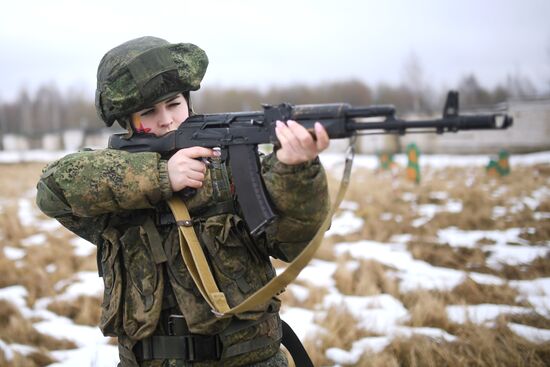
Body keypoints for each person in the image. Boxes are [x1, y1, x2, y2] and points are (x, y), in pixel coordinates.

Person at [36, 36, 330, 366]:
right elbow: (53, 188)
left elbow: (293, 243)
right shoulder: (113, 187)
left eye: (174, 104)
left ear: (188, 102)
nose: (166, 119)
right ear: (128, 124)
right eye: (149, 112)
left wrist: (295, 170)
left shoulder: (232, 169)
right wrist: (160, 176)